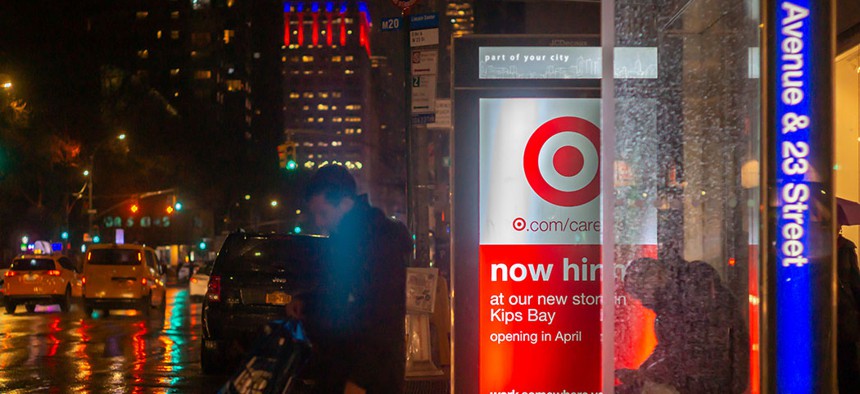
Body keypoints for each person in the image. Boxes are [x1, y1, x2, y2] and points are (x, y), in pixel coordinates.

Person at [288, 165, 410, 394]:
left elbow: (382, 316)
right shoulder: (346, 239)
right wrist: (308, 302)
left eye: (323, 213)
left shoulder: (377, 241)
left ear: (345, 203)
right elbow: (340, 295)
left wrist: (359, 380)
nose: (319, 222)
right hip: (345, 370)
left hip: (367, 379)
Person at [617, 257, 749, 394]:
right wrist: (642, 373)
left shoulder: (693, 291)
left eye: (642, 293)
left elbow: (692, 350)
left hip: (713, 382)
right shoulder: (675, 301)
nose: (643, 302)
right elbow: (670, 348)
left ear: (656, 276)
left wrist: (647, 376)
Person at [836, 228, 860, 392]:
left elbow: (855, 282)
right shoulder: (814, 246)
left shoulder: (847, 248)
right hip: (824, 315)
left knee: (848, 363)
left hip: (845, 313)